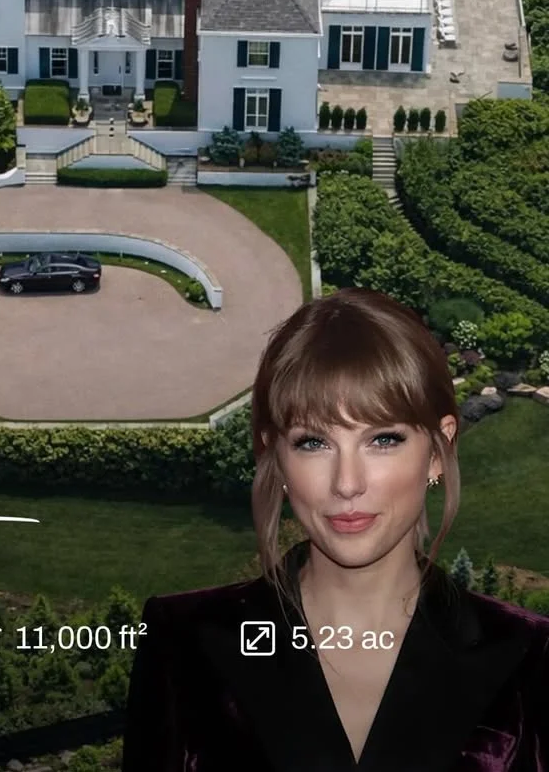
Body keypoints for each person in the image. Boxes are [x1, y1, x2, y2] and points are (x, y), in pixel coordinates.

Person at [122, 287, 549, 771]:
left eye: (383, 439)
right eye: (313, 443)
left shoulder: (529, 656)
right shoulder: (181, 642)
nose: (347, 483)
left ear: (438, 449)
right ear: (274, 455)